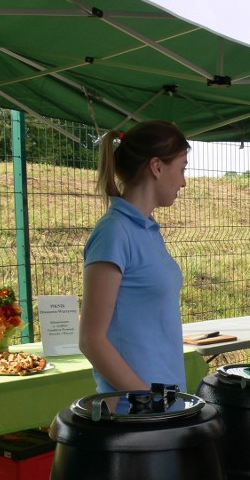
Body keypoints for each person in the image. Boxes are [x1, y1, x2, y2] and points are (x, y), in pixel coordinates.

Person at [79, 121, 189, 412]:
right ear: (156, 166)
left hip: (163, 406)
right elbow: (91, 339)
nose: (183, 181)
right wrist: (148, 399)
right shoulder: (113, 232)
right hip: (135, 415)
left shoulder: (147, 230)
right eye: (182, 168)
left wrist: (163, 402)